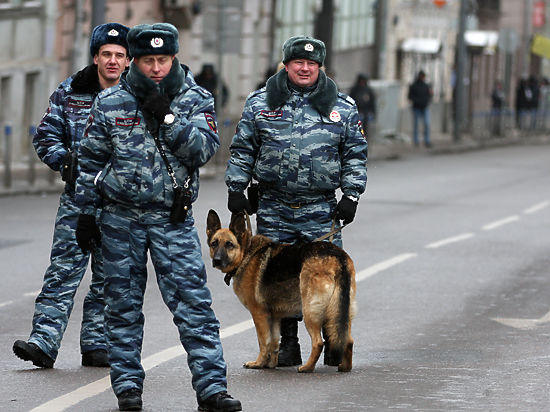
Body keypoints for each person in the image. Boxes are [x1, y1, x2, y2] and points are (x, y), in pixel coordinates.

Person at [74, 23, 241, 412]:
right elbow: (90, 162)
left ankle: (212, 389)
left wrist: (168, 118)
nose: (155, 68)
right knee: (122, 307)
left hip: (172, 219)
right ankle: (128, 387)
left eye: (163, 59)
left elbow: (203, 151)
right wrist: (86, 213)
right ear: (133, 60)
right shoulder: (111, 102)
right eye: (148, 60)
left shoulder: (195, 98)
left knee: (193, 305)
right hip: (120, 219)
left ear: (174, 58)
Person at [224, 35, 367, 367]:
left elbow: (355, 155)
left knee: (327, 276)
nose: (305, 68)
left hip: (320, 206)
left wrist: (351, 194)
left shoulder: (342, 107)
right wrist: (236, 188)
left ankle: (333, 342)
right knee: (277, 278)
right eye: (298, 62)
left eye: (311, 63)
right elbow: (243, 149)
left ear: (320, 67)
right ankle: (288, 344)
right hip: (274, 205)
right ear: (286, 65)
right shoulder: (260, 103)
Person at [13, 22, 130, 369]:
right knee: (62, 271)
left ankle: (97, 344)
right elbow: (46, 136)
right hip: (78, 199)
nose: (112, 61)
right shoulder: (71, 91)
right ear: (96, 57)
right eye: (106, 54)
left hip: (119, 204)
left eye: (119, 55)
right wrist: (64, 161)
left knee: (109, 277)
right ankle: (43, 342)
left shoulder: (137, 96)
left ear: (128, 60)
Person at [408, 70, 433, 147]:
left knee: (427, 124)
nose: (423, 78)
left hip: (425, 107)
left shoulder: (426, 86)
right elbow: (410, 96)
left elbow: (430, 95)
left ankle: (427, 140)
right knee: (416, 125)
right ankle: (416, 141)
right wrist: (417, 101)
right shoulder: (414, 86)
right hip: (417, 108)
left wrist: (427, 101)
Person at [349, 73, 376, 139]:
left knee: (365, 129)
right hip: (356, 112)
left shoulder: (368, 90)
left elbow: (372, 102)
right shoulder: (354, 90)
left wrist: (373, 112)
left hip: (366, 113)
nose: (362, 83)